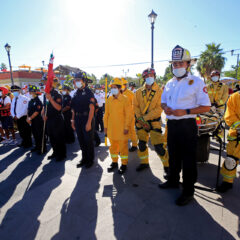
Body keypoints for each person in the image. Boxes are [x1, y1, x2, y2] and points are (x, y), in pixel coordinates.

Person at [159, 45, 211, 206]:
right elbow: (163, 101)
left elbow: (206, 107)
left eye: (180, 63)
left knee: (188, 159)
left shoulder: (196, 82)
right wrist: (165, 107)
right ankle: (173, 181)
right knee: (173, 155)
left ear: (188, 64)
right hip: (172, 125)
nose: (177, 66)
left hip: (187, 125)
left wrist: (186, 110)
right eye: (175, 64)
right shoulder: (169, 82)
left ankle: (188, 191)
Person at [133, 68, 169, 175]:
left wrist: (145, 119)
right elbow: (135, 106)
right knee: (142, 144)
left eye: (151, 76)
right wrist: (140, 119)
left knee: (159, 147)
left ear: (154, 77)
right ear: (144, 78)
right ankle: (144, 162)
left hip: (154, 122)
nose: (149, 78)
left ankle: (167, 166)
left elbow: (159, 109)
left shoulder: (160, 91)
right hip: (141, 122)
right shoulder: (138, 92)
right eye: (147, 76)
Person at [104, 78, 131, 174]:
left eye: (115, 87)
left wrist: (126, 127)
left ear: (120, 88)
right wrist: (105, 127)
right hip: (111, 129)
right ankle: (114, 162)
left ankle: (124, 164)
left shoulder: (125, 99)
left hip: (122, 129)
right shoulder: (109, 99)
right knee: (113, 147)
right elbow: (106, 114)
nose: (113, 89)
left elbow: (128, 114)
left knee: (123, 148)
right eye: (112, 87)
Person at [216, 91, 240, 192]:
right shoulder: (235, 97)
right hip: (236, 135)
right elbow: (229, 115)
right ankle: (227, 182)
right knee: (231, 161)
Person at [71, 71, 95, 168]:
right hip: (77, 119)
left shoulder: (89, 92)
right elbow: (73, 108)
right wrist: (72, 120)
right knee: (81, 140)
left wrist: (89, 123)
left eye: (78, 80)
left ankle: (90, 159)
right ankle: (84, 158)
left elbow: (92, 108)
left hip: (86, 118)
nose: (76, 82)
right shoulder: (76, 93)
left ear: (84, 81)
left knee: (88, 140)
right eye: (75, 80)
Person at [44, 78, 66, 161]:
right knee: (51, 137)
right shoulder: (45, 94)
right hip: (49, 119)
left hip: (57, 119)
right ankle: (55, 152)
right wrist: (43, 115)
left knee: (59, 137)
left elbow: (59, 108)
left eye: (46, 83)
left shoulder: (57, 95)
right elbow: (44, 106)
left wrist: (50, 99)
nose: (45, 85)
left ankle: (61, 154)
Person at [26, 85, 46, 154]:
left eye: (31, 92)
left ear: (35, 92)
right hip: (32, 121)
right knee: (35, 134)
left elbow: (37, 112)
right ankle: (37, 146)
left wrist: (30, 118)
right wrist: (27, 118)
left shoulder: (38, 101)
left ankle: (42, 148)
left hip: (38, 120)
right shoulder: (30, 101)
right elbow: (28, 110)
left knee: (40, 135)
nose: (30, 93)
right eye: (29, 92)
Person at [122, 78, 138, 152]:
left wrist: (131, 114)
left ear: (126, 85)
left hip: (130, 116)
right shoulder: (117, 94)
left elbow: (134, 105)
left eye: (124, 84)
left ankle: (134, 145)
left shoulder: (130, 94)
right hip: (120, 116)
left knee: (132, 131)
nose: (123, 86)